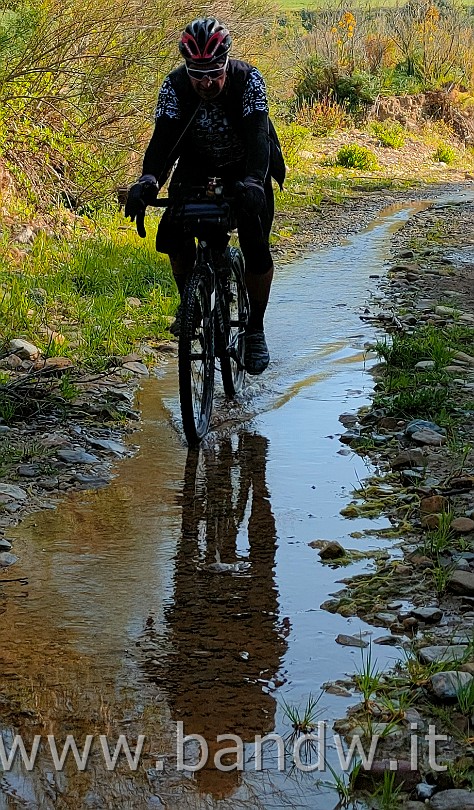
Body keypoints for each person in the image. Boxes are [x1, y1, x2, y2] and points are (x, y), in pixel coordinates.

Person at [124, 16, 285, 375]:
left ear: (226, 63)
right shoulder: (175, 86)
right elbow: (163, 140)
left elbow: (259, 137)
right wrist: (149, 179)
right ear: (187, 68)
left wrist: (256, 183)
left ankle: (255, 330)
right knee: (172, 232)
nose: (207, 82)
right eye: (199, 75)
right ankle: (190, 302)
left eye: (215, 72)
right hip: (196, 165)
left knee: (255, 244)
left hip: (246, 168)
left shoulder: (248, 80)